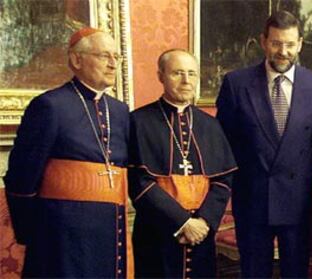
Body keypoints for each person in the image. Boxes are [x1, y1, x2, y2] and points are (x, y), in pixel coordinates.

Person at [4, 27, 132, 278]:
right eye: (104, 56)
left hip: (110, 226)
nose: (112, 64)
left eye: (116, 57)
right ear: (76, 60)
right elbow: (21, 177)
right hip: (61, 232)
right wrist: (35, 231)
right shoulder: (49, 105)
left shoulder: (119, 111)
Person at [216, 10, 312, 278]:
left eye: (290, 44)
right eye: (276, 43)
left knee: (296, 272)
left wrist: (301, 170)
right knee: (254, 272)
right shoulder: (236, 83)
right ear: (263, 41)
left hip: (298, 200)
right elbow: (225, 141)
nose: (283, 51)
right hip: (252, 198)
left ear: (300, 44)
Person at [128, 49, 237, 278]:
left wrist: (204, 222)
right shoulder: (139, 121)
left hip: (201, 232)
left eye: (192, 74)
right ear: (161, 76)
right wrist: (182, 222)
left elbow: (222, 181)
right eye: (178, 73)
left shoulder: (210, 125)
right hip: (157, 231)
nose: (186, 80)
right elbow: (140, 182)